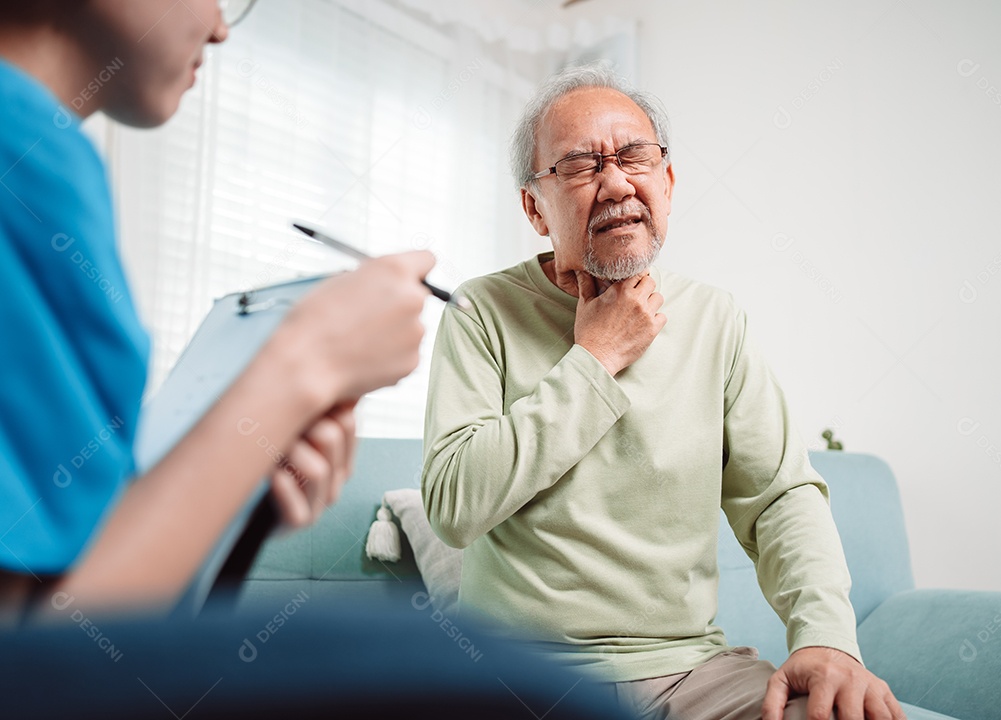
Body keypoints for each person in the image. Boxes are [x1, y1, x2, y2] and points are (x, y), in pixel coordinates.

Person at [422, 64, 907, 720]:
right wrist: (597, 357)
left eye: (635, 157)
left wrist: (826, 638)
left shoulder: (715, 319)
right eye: (581, 165)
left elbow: (778, 499)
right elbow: (453, 505)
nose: (617, 183)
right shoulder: (480, 311)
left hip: (692, 673)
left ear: (667, 184)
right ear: (535, 208)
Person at [0, 0, 434, 617]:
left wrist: (235, 471)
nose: (222, 29)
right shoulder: (27, 151)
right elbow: (53, 646)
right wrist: (304, 365)